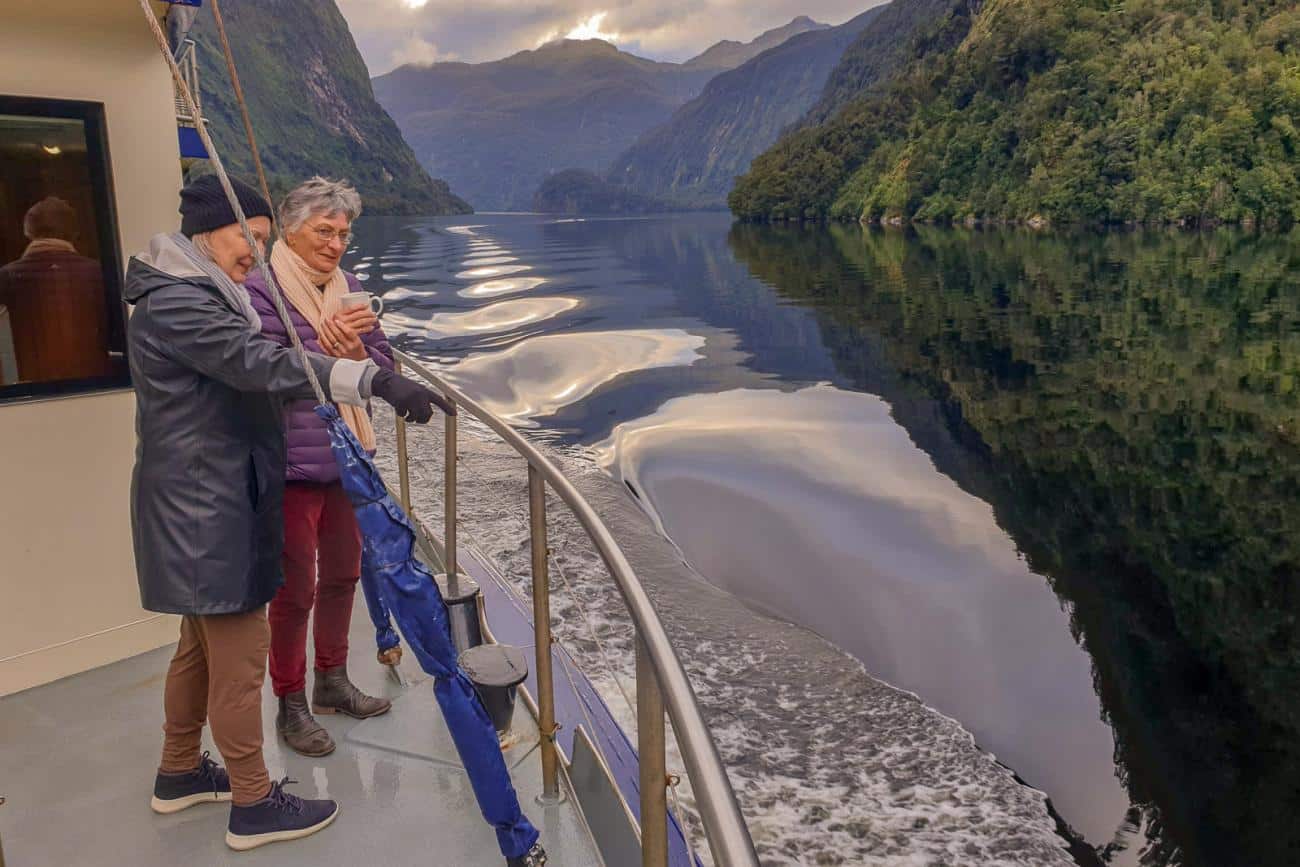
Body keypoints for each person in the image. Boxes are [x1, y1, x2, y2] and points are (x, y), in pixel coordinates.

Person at [124, 174, 443, 852]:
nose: (256, 252)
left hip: (211, 496)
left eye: (264, 238)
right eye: (253, 236)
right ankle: (253, 800)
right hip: (208, 506)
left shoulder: (200, 292)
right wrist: (373, 378)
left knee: (199, 651)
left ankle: (179, 770)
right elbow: (257, 360)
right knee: (240, 657)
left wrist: (370, 359)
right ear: (211, 230)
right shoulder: (186, 302)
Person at [242, 178, 392, 757]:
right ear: (290, 229)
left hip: (349, 458)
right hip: (291, 467)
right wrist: (333, 359)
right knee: (295, 590)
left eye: (344, 234)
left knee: (343, 577)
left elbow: (381, 364)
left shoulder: (350, 290)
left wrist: (356, 354)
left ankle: (331, 680)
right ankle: (291, 701)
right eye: (324, 232)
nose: (335, 245)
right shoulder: (261, 290)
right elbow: (262, 372)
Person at [0, 196, 112, 382]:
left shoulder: (6, 276)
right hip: (97, 387)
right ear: (75, 232)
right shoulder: (99, 273)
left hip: (27, 391)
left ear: (28, 231)